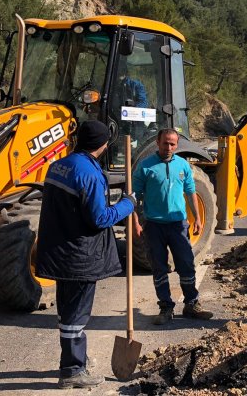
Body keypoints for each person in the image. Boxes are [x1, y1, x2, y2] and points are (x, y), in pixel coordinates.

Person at [36, 120, 136, 389]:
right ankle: (72, 370)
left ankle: (74, 359)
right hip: (78, 255)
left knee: (67, 313)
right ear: (103, 145)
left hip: (59, 251)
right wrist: (127, 205)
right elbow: (99, 218)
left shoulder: (58, 165)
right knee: (76, 317)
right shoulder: (89, 175)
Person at [132, 128, 213, 324]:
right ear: (158, 143)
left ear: (177, 145)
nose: (169, 147)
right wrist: (135, 222)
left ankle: (191, 304)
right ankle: (166, 308)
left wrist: (198, 218)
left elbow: (191, 191)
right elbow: (133, 198)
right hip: (154, 226)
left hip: (178, 225)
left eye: (172, 144)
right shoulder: (145, 167)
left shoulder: (183, 165)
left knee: (186, 264)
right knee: (159, 268)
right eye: (165, 143)